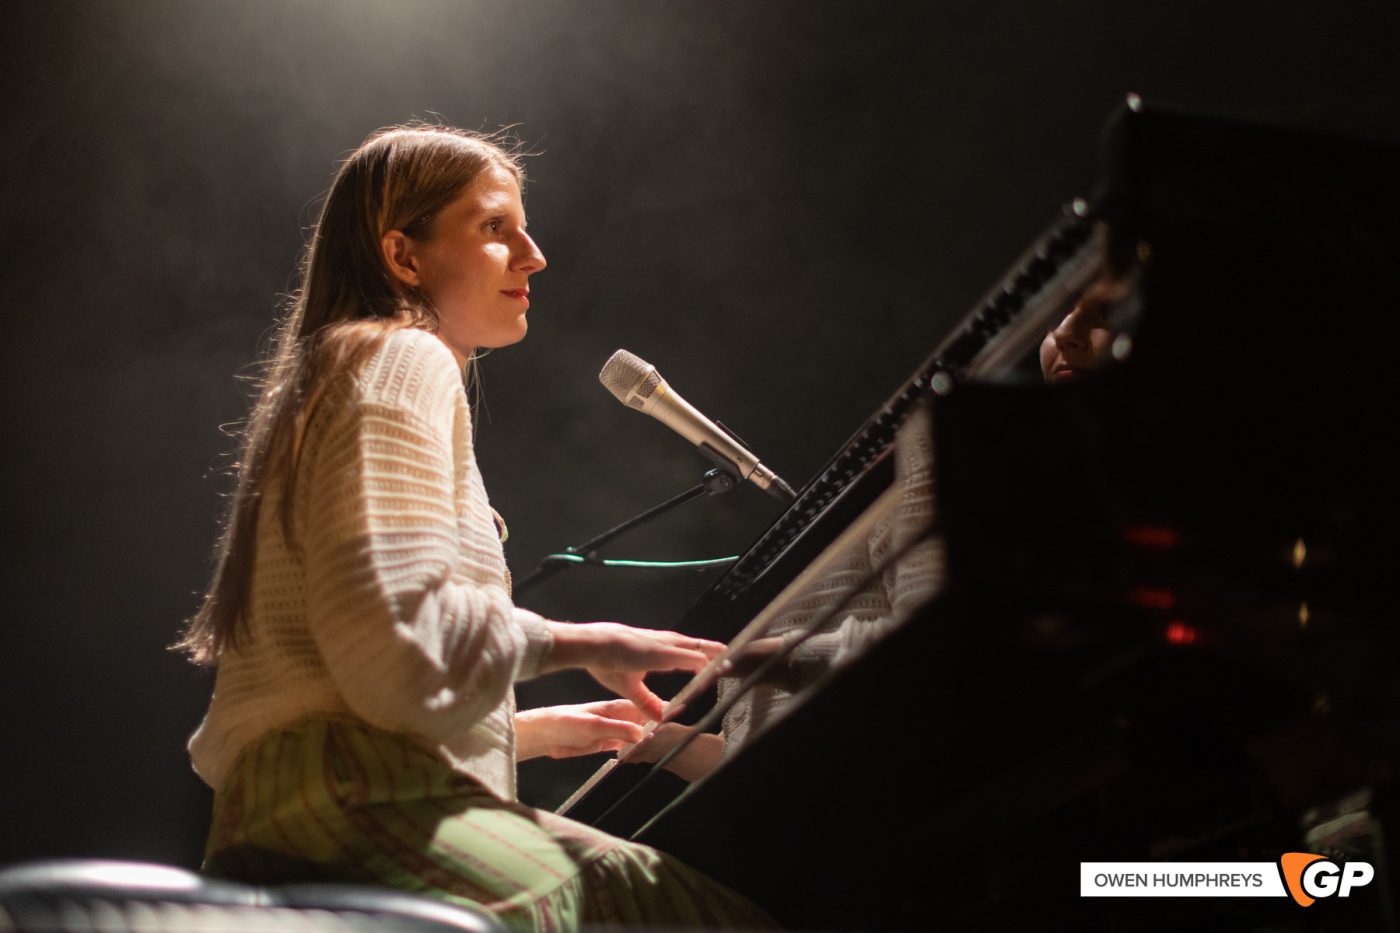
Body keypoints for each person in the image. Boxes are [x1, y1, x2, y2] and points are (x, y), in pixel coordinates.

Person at [175, 124, 772, 930]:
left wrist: (518, 732)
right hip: (361, 806)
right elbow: (392, 640)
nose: (534, 254)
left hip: (293, 811)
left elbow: (342, 682)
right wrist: (584, 641)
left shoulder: (342, 369)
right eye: (495, 227)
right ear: (404, 257)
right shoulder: (401, 356)